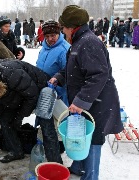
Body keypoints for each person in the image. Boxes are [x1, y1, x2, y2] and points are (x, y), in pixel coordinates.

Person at [50, 5, 123, 179]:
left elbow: (98, 74)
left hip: (96, 102)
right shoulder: (78, 42)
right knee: (81, 135)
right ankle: (78, 167)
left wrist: (81, 101)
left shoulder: (88, 42)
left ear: (71, 27)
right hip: (88, 101)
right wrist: (59, 77)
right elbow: (75, 69)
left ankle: (90, 176)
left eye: (63, 28)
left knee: (92, 139)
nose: (62, 32)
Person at [0, 60, 50, 163]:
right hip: (20, 93)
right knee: (5, 119)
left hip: (40, 87)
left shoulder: (12, 75)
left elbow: (32, 96)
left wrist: (20, 115)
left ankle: (48, 151)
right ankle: (16, 149)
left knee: (16, 121)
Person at [35, 19, 71, 163]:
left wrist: (57, 86)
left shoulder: (65, 49)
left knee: (59, 122)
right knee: (47, 122)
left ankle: (60, 147)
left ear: (59, 33)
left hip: (59, 94)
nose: (50, 39)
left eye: (53, 35)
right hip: (45, 92)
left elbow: (68, 73)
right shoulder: (43, 48)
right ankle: (51, 145)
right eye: (47, 36)